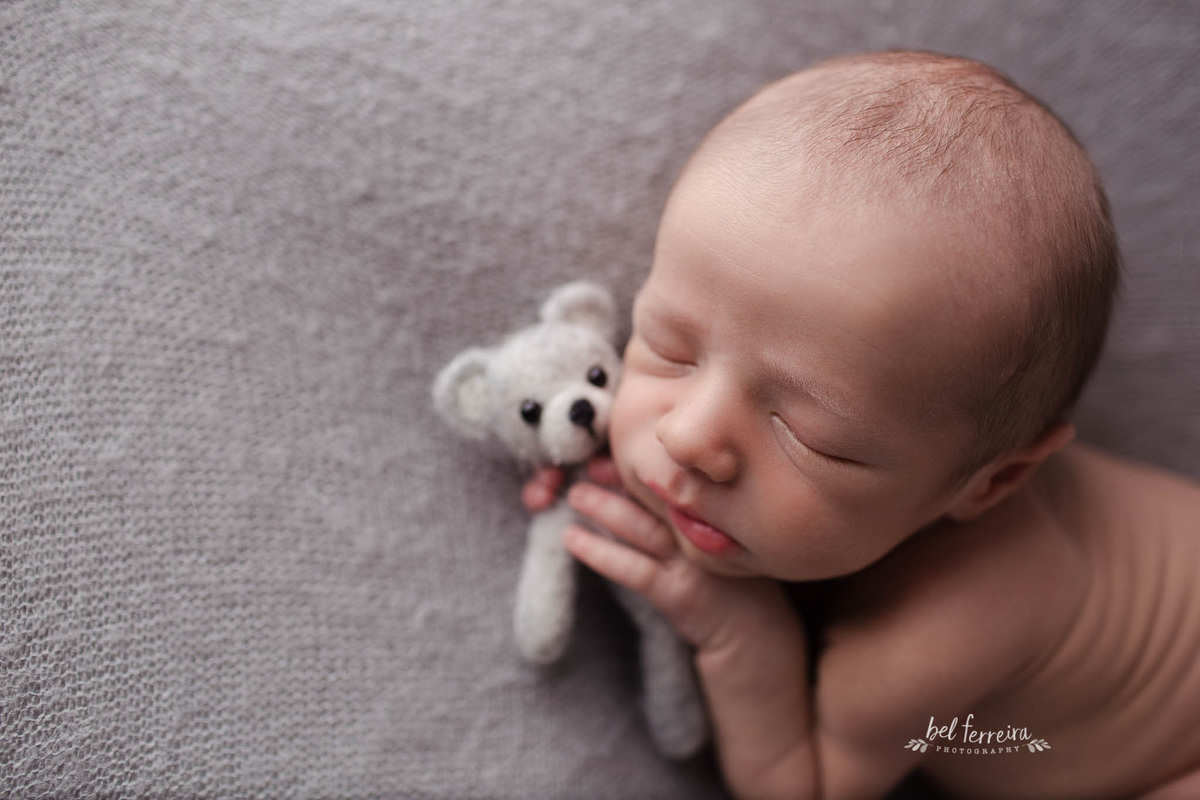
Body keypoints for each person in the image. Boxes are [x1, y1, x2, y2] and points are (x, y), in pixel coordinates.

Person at [523, 50, 1200, 799]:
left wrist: (740, 630)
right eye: (669, 348)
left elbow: (803, 786)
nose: (686, 438)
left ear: (995, 482)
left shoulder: (932, 636)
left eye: (811, 438)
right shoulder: (879, 451)